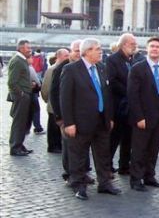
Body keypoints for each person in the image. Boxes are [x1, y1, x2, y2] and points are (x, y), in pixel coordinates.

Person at [60, 38, 120, 200]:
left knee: (103, 154)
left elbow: (107, 95)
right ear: (87, 52)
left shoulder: (101, 68)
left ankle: (105, 183)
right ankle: (79, 185)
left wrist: (110, 117)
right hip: (80, 122)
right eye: (97, 49)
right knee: (79, 155)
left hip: (102, 121)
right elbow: (65, 99)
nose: (101, 51)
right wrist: (69, 122)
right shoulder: (71, 69)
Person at [128, 37, 159, 191]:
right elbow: (132, 95)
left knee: (153, 148)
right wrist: (139, 117)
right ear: (147, 49)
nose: (155, 49)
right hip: (144, 115)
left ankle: (149, 175)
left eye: (158, 47)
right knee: (139, 149)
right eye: (152, 46)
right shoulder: (138, 68)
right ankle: (136, 179)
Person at [51, 40, 89, 184]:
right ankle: (69, 174)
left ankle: (82, 172)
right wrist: (59, 117)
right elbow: (54, 93)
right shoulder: (62, 67)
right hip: (67, 115)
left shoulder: (86, 66)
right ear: (70, 52)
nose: (79, 53)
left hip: (83, 115)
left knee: (83, 146)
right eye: (76, 51)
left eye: (81, 50)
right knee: (68, 147)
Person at [105, 33, 137, 175]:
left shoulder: (130, 60)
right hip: (118, 105)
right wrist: (129, 91)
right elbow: (112, 82)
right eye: (132, 45)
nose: (135, 47)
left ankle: (124, 165)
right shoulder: (112, 60)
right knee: (114, 138)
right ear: (124, 44)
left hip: (128, 106)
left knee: (128, 138)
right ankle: (106, 166)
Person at [7, 39, 33, 156]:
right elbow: (12, 82)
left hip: (24, 95)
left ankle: (19, 144)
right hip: (21, 96)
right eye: (28, 48)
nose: (30, 50)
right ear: (21, 48)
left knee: (22, 122)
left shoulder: (21, 60)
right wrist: (21, 93)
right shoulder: (17, 61)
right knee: (19, 122)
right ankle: (15, 147)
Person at [41, 48, 69, 153]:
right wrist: (47, 100)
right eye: (66, 56)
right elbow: (46, 88)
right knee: (53, 127)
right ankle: (52, 146)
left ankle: (58, 145)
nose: (68, 58)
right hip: (53, 103)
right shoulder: (52, 69)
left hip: (59, 103)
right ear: (58, 56)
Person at [27, 55, 44, 134]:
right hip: (32, 92)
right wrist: (38, 84)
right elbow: (37, 81)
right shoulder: (30, 68)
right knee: (36, 110)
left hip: (26, 93)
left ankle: (26, 129)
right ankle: (38, 127)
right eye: (30, 58)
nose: (32, 59)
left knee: (27, 111)